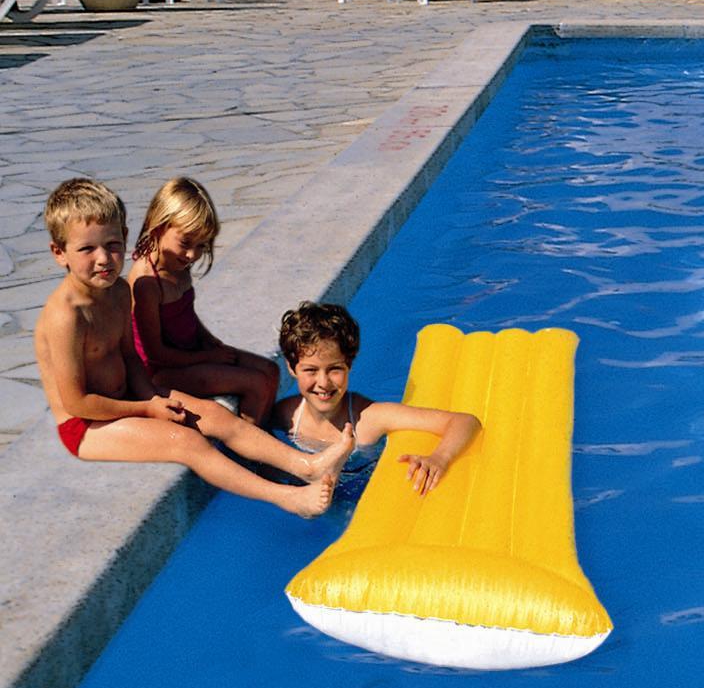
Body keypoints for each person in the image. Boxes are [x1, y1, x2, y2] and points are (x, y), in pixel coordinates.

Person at [33, 179, 347, 517]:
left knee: (216, 416)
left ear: (125, 236)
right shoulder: (66, 317)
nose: (103, 259)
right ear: (59, 253)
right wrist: (147, 409)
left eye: (112, 245)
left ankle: (307, 465)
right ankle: (287, 497)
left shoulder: (119, 292)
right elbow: (77, 402)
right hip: (86, 426)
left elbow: (130, 358)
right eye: (87, 249)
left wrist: (151, 397)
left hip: (130, 396)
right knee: (187, 443)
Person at [265, 302, 480, 499]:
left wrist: (440, 458)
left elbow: (466, 421)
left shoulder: (369, 418)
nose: (323, 382)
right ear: (292, 368)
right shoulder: (286, 416)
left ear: (349, 365)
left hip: (363, 494)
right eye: (311, 370)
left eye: (334, 369)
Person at [126, 177, 281, 423]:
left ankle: (264, 430)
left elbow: (185, 314)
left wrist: (209, 341)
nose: (192, 255)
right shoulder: (147, 283)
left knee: (271, 370)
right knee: (256, 383)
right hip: (161, 372)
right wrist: (207, 358)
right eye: (186, 243)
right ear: (158, 227)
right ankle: (248, 443)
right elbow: (155, 354)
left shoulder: (178, 264)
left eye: (201, 245)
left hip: (189, 354)